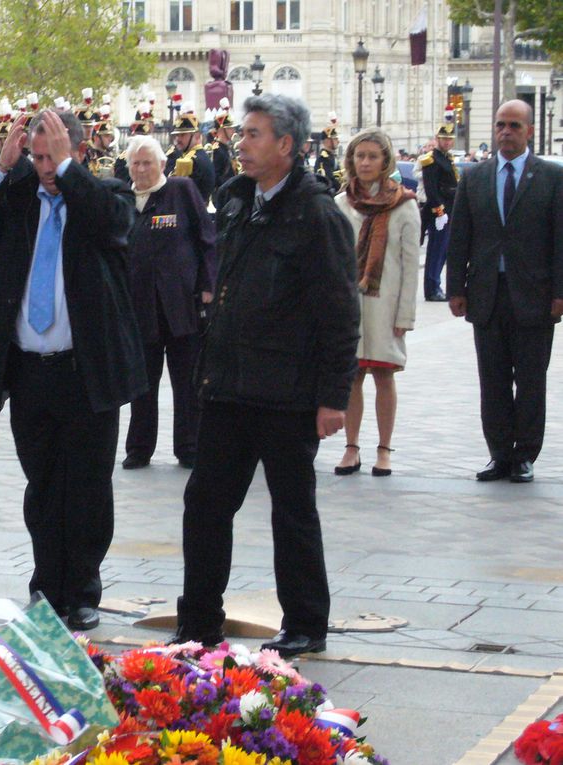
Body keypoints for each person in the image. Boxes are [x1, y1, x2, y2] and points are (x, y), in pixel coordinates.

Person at [173, 94, 359, 655]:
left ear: (286, 145)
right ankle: (199, 620)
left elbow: (339, 311)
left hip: (287, 391)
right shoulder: (233, 199)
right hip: (229, 385)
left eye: (254, 134)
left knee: (292, 509)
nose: (241, 143)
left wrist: (333, 398)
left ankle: (305, 622)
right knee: (205, 504)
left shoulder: (316, 212)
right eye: (241, 133)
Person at [0, 109, 146, 630]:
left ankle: (83, 587)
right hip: (29, 369)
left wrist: (66, 170)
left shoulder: (105, 195)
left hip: (85, 370)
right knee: (42, 484)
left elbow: (113, 225)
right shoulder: (17, 199)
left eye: (52, 157)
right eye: (37, 158)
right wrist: (1, 165)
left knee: (86, 485)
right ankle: (45, 584)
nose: (42, 168)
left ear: (77, 153)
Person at [446, 99, 563, 484]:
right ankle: (499, 454)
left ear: (529, 130)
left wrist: (559, 292)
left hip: (534, 295)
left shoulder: (550, 177)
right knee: (492, 379)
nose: (505, 132)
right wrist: (456, 288)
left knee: (530, 380)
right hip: (487, 294)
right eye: (500, 125)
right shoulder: (476, 177)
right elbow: (460, 235)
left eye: (514, 125)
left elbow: (560, 240)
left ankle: (525, 455)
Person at [121, 135, 215, 471]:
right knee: (141, 384)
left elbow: (206, 238)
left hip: (181, 305)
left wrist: (207, 286)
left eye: (148, 162)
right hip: (140, 307)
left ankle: (189, 445)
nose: (142, 169)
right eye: (136, 163)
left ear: (162, 164)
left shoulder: (181, 190)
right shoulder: (122, 199)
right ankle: (139, 448)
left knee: (186, 381)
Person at [333, 129, 421, 477]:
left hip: (386, 305)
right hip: (349, 305)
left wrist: (406, 315)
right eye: (360, 156)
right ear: (351, 161)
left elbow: (411, 265)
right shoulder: (340, 204)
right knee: (352, 376)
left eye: (372, 156)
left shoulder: (404, 204)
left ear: (386, 161)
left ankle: (384, 449)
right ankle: (351, 447)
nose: (366, 162)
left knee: (384, 375)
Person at [419, 118, 458, 301]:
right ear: (437, 139)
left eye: (450, 139)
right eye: (444, 139)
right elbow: (431, 189)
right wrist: (439, 212)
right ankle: (432, 288)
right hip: (438, 212)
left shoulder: (446, 158)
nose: (448, 142)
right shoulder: (431, 160)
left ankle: (436, 285)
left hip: (449, 209)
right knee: (435, 251)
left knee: (442, 251)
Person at [165, 107, 215, 203]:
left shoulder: (191, 161)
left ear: (196, 136)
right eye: (177, 135)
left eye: (183, 135)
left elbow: (177, 194)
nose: (178, 139)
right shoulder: (200, 156)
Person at [314, 124, 341, 194]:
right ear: (327, 141)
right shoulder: (323, 159)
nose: (338, 141)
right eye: (335, 138)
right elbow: (327, 180)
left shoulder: (332, 157)